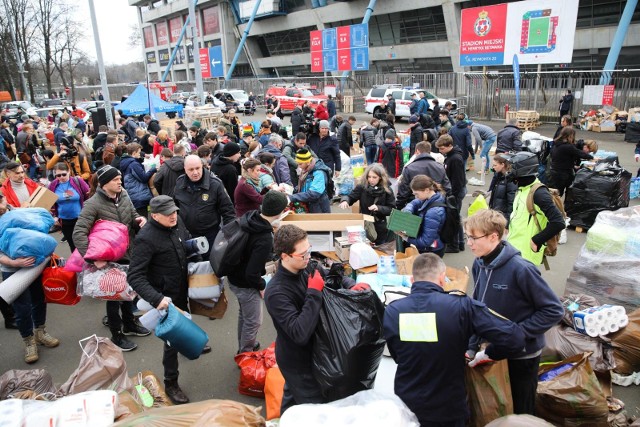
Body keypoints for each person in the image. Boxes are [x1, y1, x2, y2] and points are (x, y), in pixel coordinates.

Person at [383, 253, 526, 427]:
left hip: (406, 405)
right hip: (448, 408)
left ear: (413, 280)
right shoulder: (461, 306)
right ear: (442, 279)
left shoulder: (393, 311)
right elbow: (515, 339)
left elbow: (397, 354)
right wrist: (488, 354)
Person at [465, 209, 563, 415]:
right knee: (497, 403)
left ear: (494, 236)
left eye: (473, 237)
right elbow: (477, 304)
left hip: (523, 355)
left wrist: (518, 333)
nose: (469, 243)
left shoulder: (522, 269)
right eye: (467, 237)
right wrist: (472, 345)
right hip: (493, 349)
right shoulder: (479, 263)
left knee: (521, 406)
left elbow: (553, 310)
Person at [264, 224, 366, 414]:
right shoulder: (276, 292)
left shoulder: (308, 266)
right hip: (298, 362)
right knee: (314, 407)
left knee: (293, 395)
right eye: (302, 254)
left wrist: (351, 285)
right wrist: (313, 292)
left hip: (316, 351)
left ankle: (284, 417)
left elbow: (331, 277)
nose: (308, 257)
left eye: (309, 250)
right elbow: (299, 333)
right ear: (285, 256)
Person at [127, 196, 205, 405]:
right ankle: (171, 382)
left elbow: (185, 242)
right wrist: (157, 299)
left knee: (185, 323)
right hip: (164, 299)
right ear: (154, 215)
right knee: (171, 341)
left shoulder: (177, 223)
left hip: (181, 287)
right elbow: (134, 276)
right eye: (168, 213)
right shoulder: (146, 238)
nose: (173, 216)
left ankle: (191, 342)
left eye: (175, 211)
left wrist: (198, 257)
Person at [72, 165, 150, 352]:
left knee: (128, 292)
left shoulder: (123, 194)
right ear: (104, 184)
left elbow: (132, 215)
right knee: (114, 298)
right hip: (108, 258)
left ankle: (129, 325)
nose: (119, 182)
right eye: (115, 180)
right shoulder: (92, 203)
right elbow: (78, 233)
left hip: (129, 252)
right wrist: (93, 259)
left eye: (119, 178)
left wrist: (139, 220)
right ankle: (117, 335)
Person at [0, 188, 60, 364]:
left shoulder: (20, 213)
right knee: (22, 308)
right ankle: (28, 341)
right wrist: (14, 263)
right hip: (12, 269)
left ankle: (40, 332)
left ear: (3, 199)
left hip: (35, 266)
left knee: (39, 299)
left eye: (1, 202)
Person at [228, 190, 289, 355]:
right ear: (280, 212)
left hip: (233, 276)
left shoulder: (251, 217)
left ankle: (244, 347)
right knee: (254, 321)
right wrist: (262, 286)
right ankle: (246, 355)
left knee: (245, 315)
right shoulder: (263, 238)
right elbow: (252, 274)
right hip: (245, 283)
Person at [505, 152, 565, 266]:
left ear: (522, 171)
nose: (510, 171)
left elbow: (558, 222)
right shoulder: (523, 188)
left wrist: (537, 240)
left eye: (512, 167)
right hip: (514, 250)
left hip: (526, 257)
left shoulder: (539, 193)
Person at [173, 155, 236, 255]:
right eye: (191, 169)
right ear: (185, 169)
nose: (195, 172)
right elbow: (175, 206)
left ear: (202, 166)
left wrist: (227, 235)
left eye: (197, 168)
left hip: (210, 235)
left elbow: (228, 212)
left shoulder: (215, 184)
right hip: (187, 234)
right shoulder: (180, 182)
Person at [339, 163, 395, 245]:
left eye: (374, 177)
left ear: (380, 177)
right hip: (364, 224)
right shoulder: (362, 187)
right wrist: (345, 200)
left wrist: (378, 208)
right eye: (369, 177)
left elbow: (392, 209)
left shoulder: (387, 190)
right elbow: (351, 196)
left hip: (380, 226)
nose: (371, 180)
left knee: (379, 249)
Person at [398, 175, 447, 257]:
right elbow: (414, 203)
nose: (415, 197)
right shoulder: (433, 197)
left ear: (427, 190)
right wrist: (407, 211)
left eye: (417, 194)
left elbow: (426, 241)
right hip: (433, 246)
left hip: (431, 250)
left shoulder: (433, 212)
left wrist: (406, 238)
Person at [396, 141, 451, 210]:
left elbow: (403, 192)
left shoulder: (409, 168)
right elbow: (447, 188)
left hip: (415, 206)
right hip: (435, 205)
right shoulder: (440, 167)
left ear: (417, 151)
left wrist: (399, 207)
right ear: (429, 151)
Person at [48, 162, 90, 252]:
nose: (61, 177)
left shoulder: (78, 181)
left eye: (64, 174)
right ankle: (76, 264)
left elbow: (89, 195)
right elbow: (50, 202)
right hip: (64, 221)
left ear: (69, 171)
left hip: (80, 218)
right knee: (72, 244)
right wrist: (54, 216)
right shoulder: (53, 185)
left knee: (84, 243)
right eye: (58, 175)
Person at [437, 135, 466, 253]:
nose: (440, 151)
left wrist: (452, 195)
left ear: (449, 146)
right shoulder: (450, 156)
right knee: (456, 217)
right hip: (454, 192)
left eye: (442, 148)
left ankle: (455, 245)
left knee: (453, 218)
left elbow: (458, 180)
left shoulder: (455, 159)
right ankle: (459, 243)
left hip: (455, 193)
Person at [549, 127, 593, 197]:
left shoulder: (556, 144)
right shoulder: (568, 146)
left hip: (554, 171)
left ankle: (557, 206)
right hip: (563, 173)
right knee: (566, 192)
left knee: (557, 194)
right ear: (570, 136)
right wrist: (592, 157)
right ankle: (564, 207)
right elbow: (579, 153)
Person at [118, 143, 157, 218]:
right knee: (143, 219)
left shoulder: (126, 162)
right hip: (140, 197)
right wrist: (153, 169)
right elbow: (144, 178)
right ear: (134, 153)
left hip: (134, 195)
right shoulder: (133, 164)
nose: (140, 154)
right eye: (139, 152)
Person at [289, 148, 332, 213]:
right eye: (298, 163)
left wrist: (292, 197)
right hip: (309, 205)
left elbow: (314, 194)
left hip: (319, 209)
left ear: (308, 162)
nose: (299, 166)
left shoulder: (319, 172)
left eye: (300, 164)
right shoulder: (306, 170)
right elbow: (304, 186)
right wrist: (289, 190)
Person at [0, 191, 18, 330]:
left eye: (1, 202)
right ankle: (10, 319)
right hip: (6, 260)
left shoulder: (14, 211)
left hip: (17, 256)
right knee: (4, 291)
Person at [487, 153, 517, 224]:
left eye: (495, 165)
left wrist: (507, 223)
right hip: (496, 214)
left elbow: (511, 204)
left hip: (502, 218)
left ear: (502, 165)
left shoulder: (510, 181)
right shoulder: (498, 176)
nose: (493, 167)